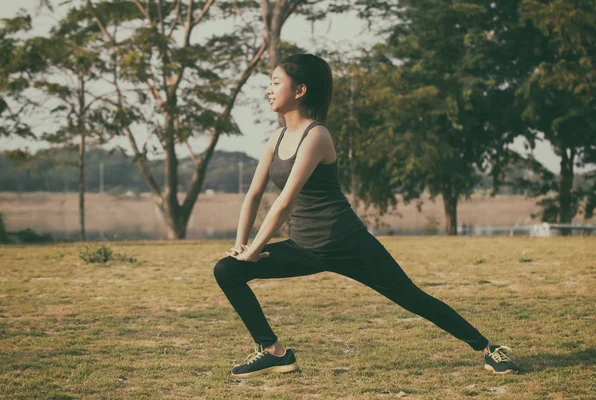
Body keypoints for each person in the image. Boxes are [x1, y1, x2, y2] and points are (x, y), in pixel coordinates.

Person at [213, 53, 519, 379]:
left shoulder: (316, 135)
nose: (269, 90)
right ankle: (274, 353)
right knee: (228, 270)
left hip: (347, 242)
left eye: (276, 82)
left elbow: (285, 201)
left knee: (411, 297)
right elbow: (254, 194)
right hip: (305, 247)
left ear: (299, 90)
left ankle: (488, 349)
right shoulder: (276, 139)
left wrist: (256, 249)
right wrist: (240, 245)